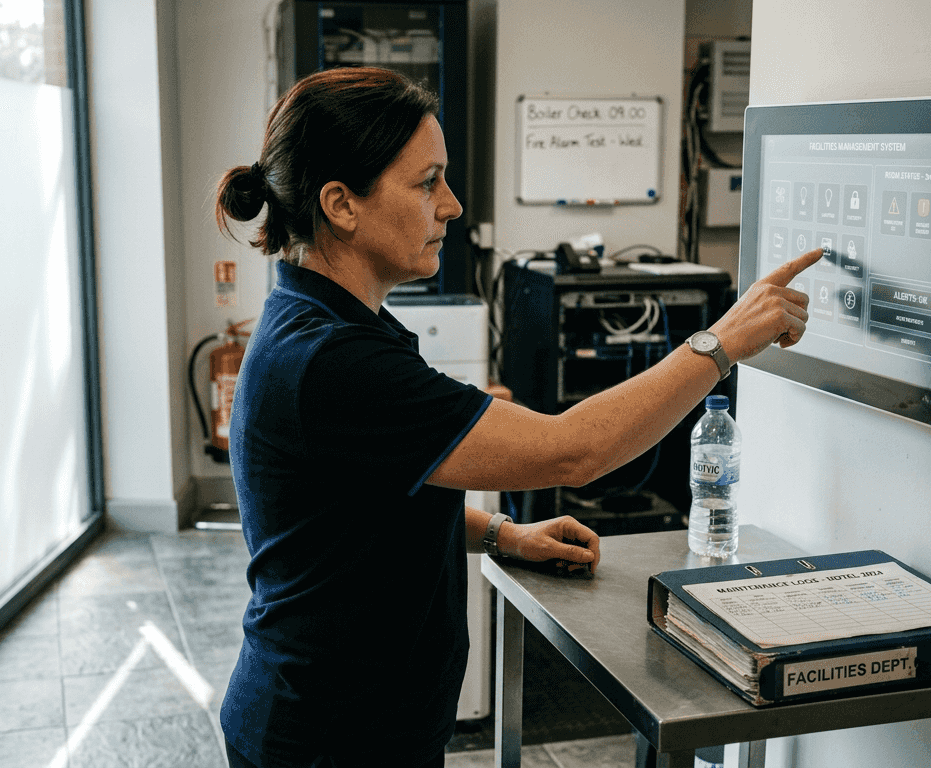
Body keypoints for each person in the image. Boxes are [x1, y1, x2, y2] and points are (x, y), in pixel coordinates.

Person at [213, 67, 818, 768]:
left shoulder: (327, 323)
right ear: (341, 204)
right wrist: (722, 342)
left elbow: (368, 502)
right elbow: (572, 452)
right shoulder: (333, 360)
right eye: (426, 182)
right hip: (331, 738)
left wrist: (503, 531)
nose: (453, 205)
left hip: (350, 721)